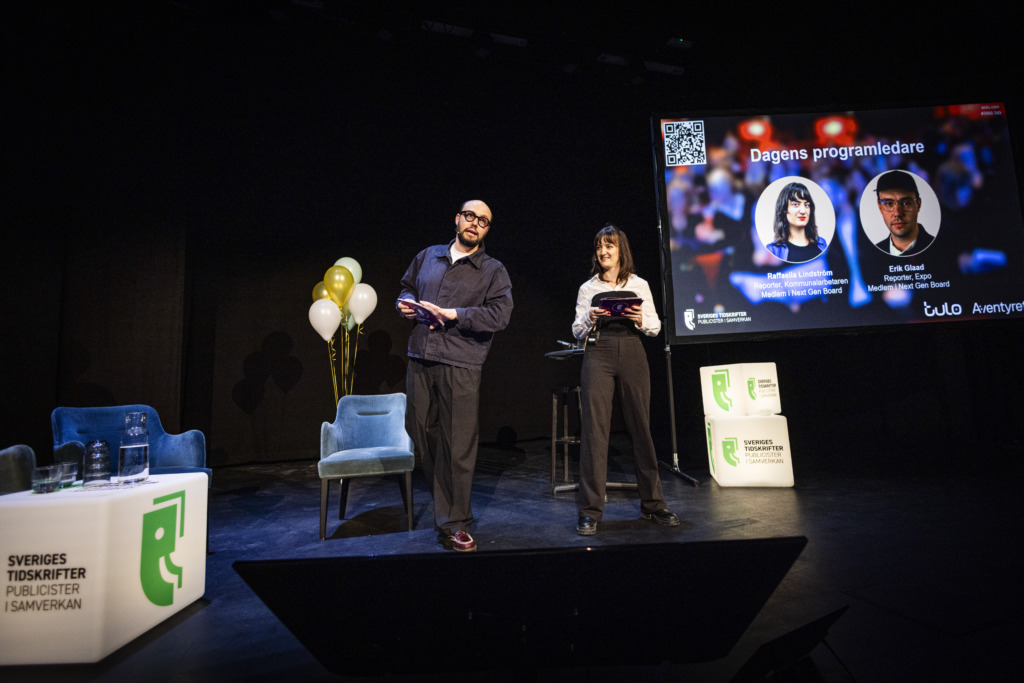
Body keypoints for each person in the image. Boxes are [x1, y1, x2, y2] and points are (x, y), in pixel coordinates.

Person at [397, 200, 513, 552]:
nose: (475, 224)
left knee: (458, 446)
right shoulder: (428, 255)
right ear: (458, 218)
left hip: (461, 363)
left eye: (484, 221)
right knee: (421, 434)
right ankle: (447, 509)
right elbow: (407, 286)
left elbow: (499, 315)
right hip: (421, 357)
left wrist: (454, 314)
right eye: (470, 216)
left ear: (487, 229)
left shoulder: (493, 270)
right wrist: (404, 302)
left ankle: (456, 522)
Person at [571, 224, 679, 536]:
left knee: (641, 428)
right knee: (595, 431)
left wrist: (640, 318)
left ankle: (654, 504)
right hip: (598, 352)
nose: (603, 252)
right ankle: (590, 510)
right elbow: (576, 331)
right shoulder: (587, 288)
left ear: (621, 251)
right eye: (599, 247)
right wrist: (589, 319)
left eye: (610, 246)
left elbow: (655, 327)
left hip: (632, 351)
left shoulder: (639, 284)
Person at [874, 170, 934, 256]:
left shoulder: (941, 249)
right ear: (880, 207)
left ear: (918, 204)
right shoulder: (874, 255)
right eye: (889, 204)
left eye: (905, 203)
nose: (897, 213)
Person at [766, 181, 828, 262]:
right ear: (784, 209)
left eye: (806, 205)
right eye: (796, 204)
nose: (803, 211)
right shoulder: (773, 250)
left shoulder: (822, 244)